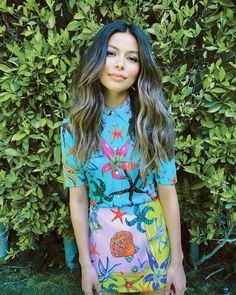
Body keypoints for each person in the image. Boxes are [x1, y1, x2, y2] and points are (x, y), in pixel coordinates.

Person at [60, 21, 186, 295]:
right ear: (96, 59)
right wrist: (86, 264)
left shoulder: (155, 121)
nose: (120, 64)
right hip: (102, 251)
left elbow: (168, 192)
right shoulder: (74, 126)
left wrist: (177, 261)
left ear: (141, 69)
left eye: (131, 58)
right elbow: (78, 198)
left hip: (154, 247)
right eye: (111, 53)